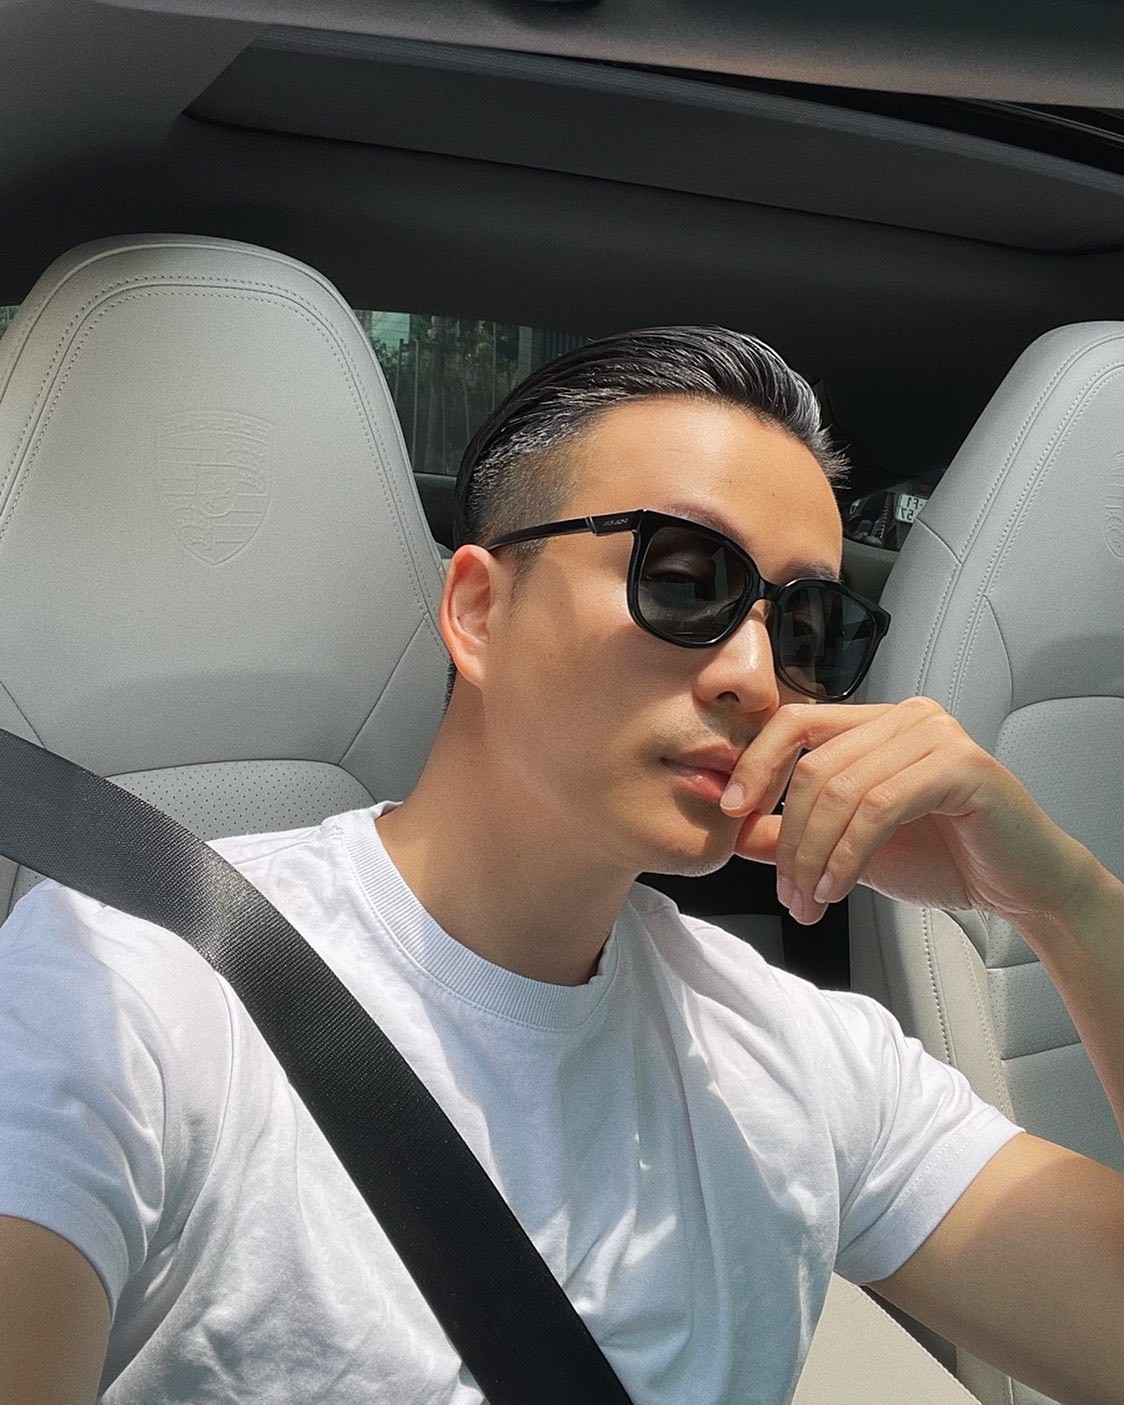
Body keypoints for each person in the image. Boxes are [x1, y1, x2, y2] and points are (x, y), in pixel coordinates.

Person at [0, 327, 1120, 1405]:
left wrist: (1062, 898)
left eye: (808, 627)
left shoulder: (799, 1058)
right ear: (479, 610)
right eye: (683, 578)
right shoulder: (128, 990)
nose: (754, 674)